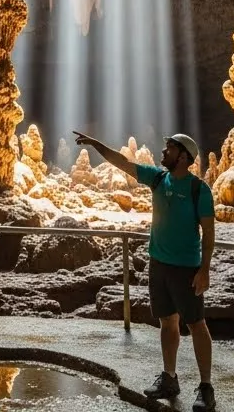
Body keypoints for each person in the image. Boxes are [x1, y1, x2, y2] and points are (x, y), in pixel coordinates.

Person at [72, 131, 217, 412]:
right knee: (167, 323)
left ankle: (206, 387)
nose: (163, 153)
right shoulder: (157, 179)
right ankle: (169, 378)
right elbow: (122, 162)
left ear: (183, 156)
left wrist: (205, 269)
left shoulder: (199, 189)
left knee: (197, 324)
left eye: (169, 149)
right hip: (159, 264)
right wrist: (95, 143)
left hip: (187, 267)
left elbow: (209, 233)